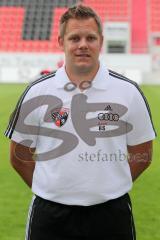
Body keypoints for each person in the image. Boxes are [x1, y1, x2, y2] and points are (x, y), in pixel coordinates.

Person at [5, 4, 156, 240]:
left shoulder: (128, 92)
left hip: (111, 214)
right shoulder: (37, 92)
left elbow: (142, 153)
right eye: (74, 38)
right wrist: (53, 188)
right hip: (50, 215)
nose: (83, 44)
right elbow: (19, 155)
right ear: (61, 42)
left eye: (90, 37)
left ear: (101, 41)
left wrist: (110, 184)